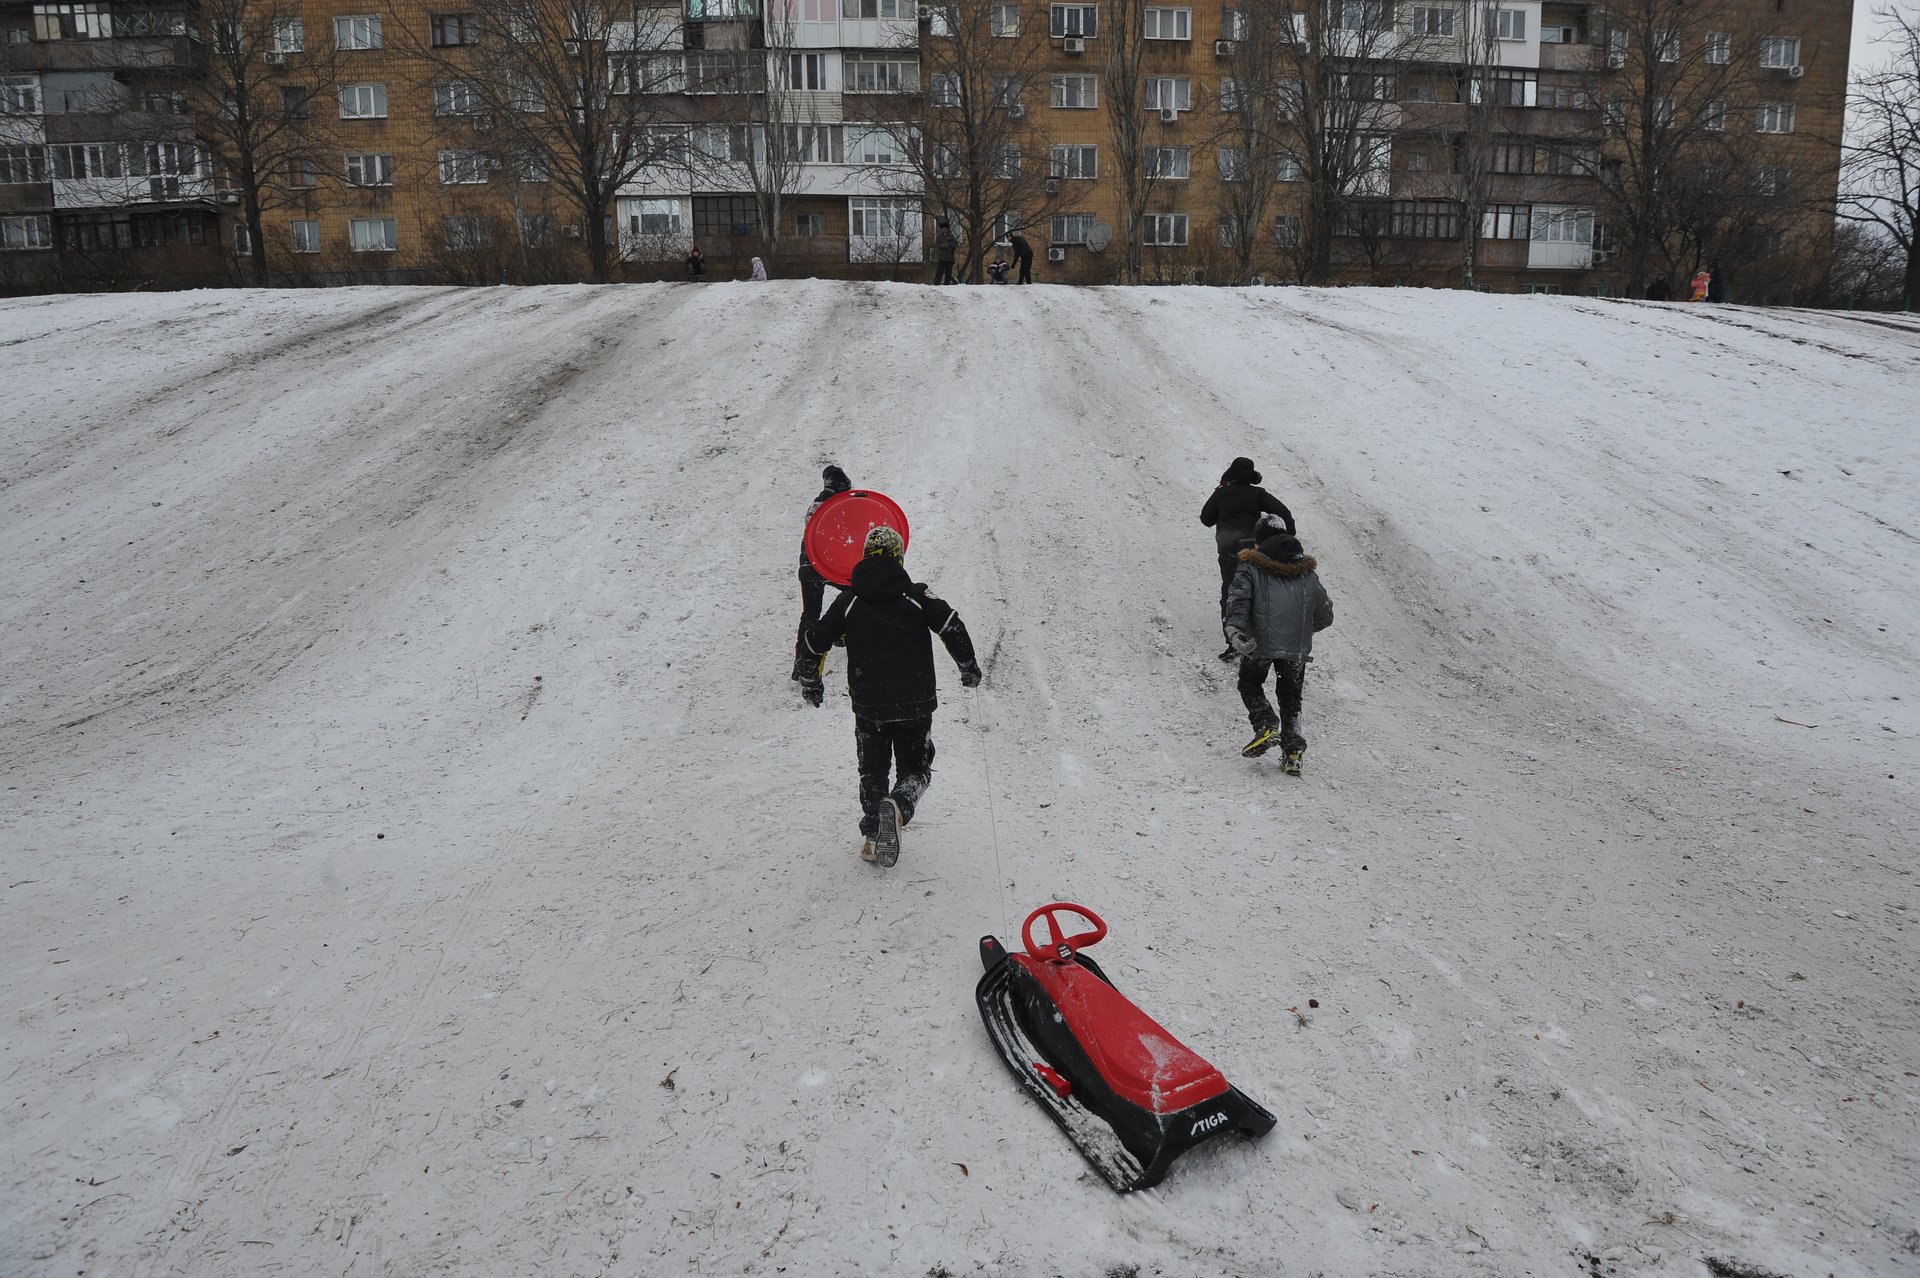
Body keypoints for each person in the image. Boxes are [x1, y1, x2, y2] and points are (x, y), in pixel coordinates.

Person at [801, 526, 981, 867]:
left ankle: (873, 834)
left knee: (872, 771)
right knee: (917, 768)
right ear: (899, 556)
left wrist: (811, 679)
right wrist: (968, 667)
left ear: (866, 555)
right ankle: (899, 804)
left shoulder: (848, 600)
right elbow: (952, 626)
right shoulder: (916, 596)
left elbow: (815, 640)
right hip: (915, 702)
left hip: (869, 705)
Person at [1223, 530, 1333, 777]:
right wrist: (1302, 631)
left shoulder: (1250, 568)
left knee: (1250, 684)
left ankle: (1265, 724)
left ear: (1261, 546)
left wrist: (1235, 630)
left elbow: (1238, 600)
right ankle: (1293, 754)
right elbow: (1326, 616)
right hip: (1295, 649)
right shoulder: (1309, 576)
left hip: (1259, 644)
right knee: (1291, 698)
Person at [1199, 457, 1294, 661]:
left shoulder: (1221, 493)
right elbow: (1283, 512)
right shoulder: (1258, 493)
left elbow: (1206, 519)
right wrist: (1289, 536)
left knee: (1232, 593)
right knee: (1258, 590)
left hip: (1230, 552)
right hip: (1254, 551)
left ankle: (1234, 641)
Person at [793, 464, 853, 703]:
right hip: (830, 564)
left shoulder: (815, 505)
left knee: (810, 614)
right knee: (852, 596)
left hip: (809, 566)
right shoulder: (838, 505)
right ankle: (845, 633)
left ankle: (801, 663)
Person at [932, 220, 958, 286]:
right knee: (939, 272)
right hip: (942, 258)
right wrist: (943, 245)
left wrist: (949, 245)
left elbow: (955, 243)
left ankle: (947, 285)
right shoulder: (939, 237)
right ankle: (936, 284)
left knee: (948, 273)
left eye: (945, 228)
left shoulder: (951, 236)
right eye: (943, 228)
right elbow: (937, 245)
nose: (944, 230)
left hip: (949, 258)